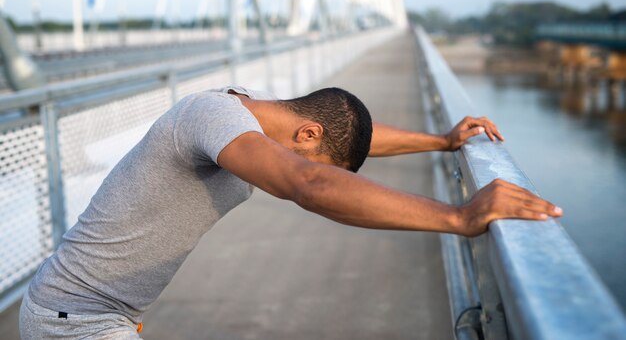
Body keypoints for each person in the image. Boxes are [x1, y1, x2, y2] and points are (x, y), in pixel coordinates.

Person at [19, 85, 562, 339]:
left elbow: (344, 143)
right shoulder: (212, 116)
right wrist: (458, 217)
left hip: (100, 313)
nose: (298, 158)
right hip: (75, 319)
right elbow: (309, 181)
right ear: (305, 131)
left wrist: (441, 141)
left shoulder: (255, 112)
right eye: (310, 149)